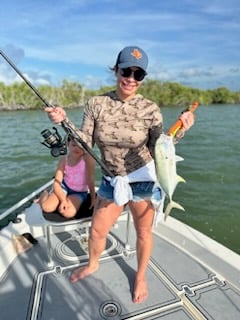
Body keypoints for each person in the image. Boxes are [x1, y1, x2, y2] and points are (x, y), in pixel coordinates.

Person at [45, 46, 195, 303]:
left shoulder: (150, 109)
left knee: (144, 233)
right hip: (111, 179)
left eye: (139, 75)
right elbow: (85, 141)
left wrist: (181, 129)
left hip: (143, 180)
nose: (131, 78)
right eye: (126, 70)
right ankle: (93, 264)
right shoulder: (97, 103)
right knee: (96, 231)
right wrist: (64, 121)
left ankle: (140, 276)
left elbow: (161, 146)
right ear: (116, 70)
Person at [38, 136, 95, 218]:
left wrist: (93, 199)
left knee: (67, 213)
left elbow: (90, 179)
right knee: (46, 207)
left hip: (79, 192)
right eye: (74, 145)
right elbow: (57, 182)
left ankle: (66, 198)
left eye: (81, 146)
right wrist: (63, 200)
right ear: (68, 144)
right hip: (64, 187)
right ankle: (45, 193)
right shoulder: (63, 160)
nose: (77, 149)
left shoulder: (87, 159)